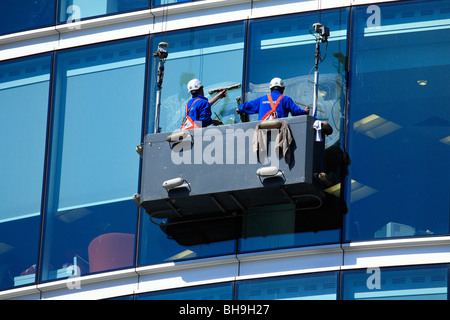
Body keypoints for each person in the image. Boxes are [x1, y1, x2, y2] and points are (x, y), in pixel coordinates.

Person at [235, 77, 310, 120]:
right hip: (279, 132)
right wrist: (305, 112)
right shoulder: (286, 99)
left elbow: (248, 106)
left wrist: (240, 108)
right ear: (283, 89)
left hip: (262, 132)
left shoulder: (262, 99)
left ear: (270, 89)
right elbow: (296, 112)